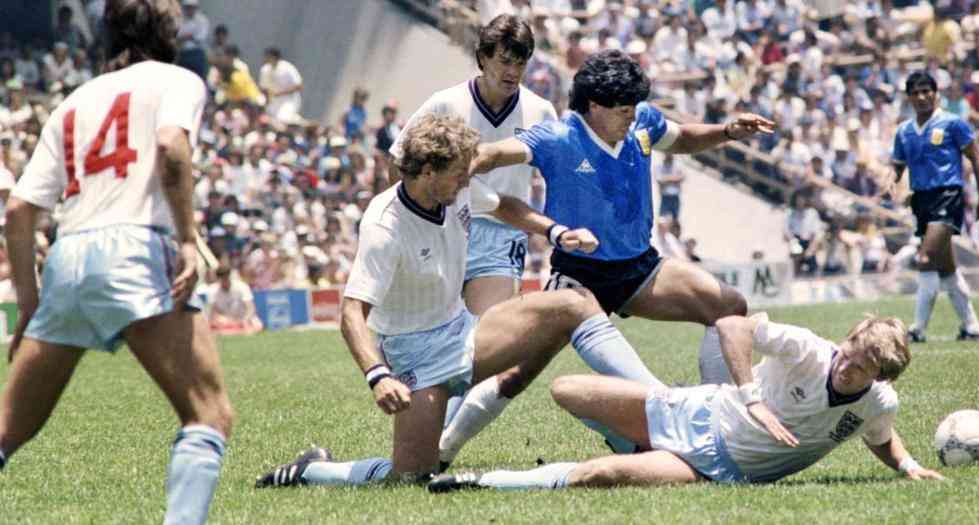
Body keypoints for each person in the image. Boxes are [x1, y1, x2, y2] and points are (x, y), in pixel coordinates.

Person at [254, 113, 649, 487]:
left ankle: (660, 405)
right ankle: (313, 470)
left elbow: (505, 206)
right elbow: (352, 313)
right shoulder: (383, 226)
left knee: (574, 303)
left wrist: (556, 232)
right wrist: (378, 375)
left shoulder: (452, 188)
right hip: (416, 357)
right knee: (411, 476)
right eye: (459, 175)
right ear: (428, 173)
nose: (466, 183)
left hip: (464, 331)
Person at [0, 2, 233, 524]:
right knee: (208, 415)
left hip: (68, 254)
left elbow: (18, 212)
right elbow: (171, 147)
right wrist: (190, 240)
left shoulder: (74, 100)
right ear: (169, 32)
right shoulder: (178, 80)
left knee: (6, 432)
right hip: (133, 249)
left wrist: (32, 304)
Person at [470, 50, 775, 411]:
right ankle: (444, 447)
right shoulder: (558, 137)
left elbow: (681, 139)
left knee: (728, 306)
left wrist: (726, 132)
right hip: (578, 276)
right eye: (623, 110)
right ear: (595, 106)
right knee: (517, 376)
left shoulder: (641, 120)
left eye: (634, 107)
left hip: (639, 269)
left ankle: (720, 417)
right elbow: (499, 152)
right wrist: (473, 157)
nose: (632, 116)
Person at [426, 312, 943, 492]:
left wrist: (908, 465)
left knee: (597, 476)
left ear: (880, 376)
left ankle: (475, 482)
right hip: (695, 409)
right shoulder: (809, 348)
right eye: (851, 350)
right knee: (566, 389)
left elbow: (880, 434)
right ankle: (635, 442)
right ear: (847, 339)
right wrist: (752, 398)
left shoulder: (878, 403)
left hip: (716, 468)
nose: (848, 364)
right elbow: (733, 325)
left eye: (864, 367)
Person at [384, 15, 559, 469]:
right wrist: (409, 220)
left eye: (520, 61)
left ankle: (437, 447)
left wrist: (556, 229)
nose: (511, 70)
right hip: (443, 228)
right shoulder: (444, 103)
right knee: (435, 342)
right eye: (503, 60)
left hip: (502, 234)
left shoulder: (541, 111)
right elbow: (397, 162)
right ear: (482, 58)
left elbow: (556, 176)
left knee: (485, 343)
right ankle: (423, 444)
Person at [887, 71, 979, 344]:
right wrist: (891, 179)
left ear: (936, 93)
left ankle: (917, 329)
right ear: (909, 97)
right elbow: (897, 164)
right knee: (946, 268)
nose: (922, 97)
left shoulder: (952, 123)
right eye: (916, 93)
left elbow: (977, 159)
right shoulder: (904, 131)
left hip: (947, 196)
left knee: (925, 259)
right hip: (921, 200)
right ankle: (972, 327)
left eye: (927, 91)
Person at [202, 265, 262, 335]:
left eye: (226, 278)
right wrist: (224, 320)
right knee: (211, 326)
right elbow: (213, 312)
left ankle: (233, 331)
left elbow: (251, 308)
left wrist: (245, 319)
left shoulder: (242, 286)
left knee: (257, 325)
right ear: (218, 279)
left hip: (243, 318)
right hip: (226, 320)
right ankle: (236, 331)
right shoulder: (212, 290)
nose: (224, 281)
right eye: (222, 279)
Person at [259, 46, 303, 124]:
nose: (266, 58)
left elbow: (299, 86)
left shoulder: (287, 67)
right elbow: (264, 88)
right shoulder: (265, 69)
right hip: (272, 100)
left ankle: (301, 122)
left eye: (268, 56)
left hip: (289, 100)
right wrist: (267, 100)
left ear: (274, 57)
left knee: (282, 119)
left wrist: (279, 94)